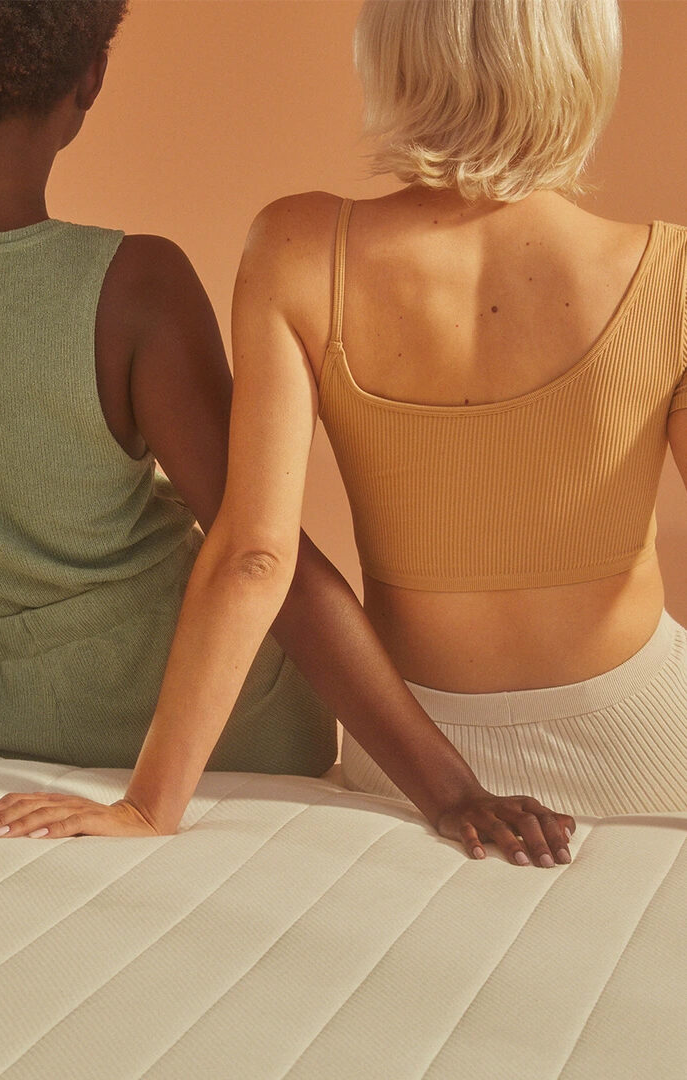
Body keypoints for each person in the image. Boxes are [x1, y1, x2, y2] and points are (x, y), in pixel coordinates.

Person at [0, 0, 574, 866]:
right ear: (90, 81)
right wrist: (451, 791)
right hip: (223, 728)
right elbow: (260, 553)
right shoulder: (138, 286)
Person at [37, 0, 686, 841]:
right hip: (648, 739)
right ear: (586, 59)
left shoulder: (299, 249)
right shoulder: (673, 274)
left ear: (395, 55)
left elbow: (253, 555)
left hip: (411, 755)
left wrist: (149, 803)